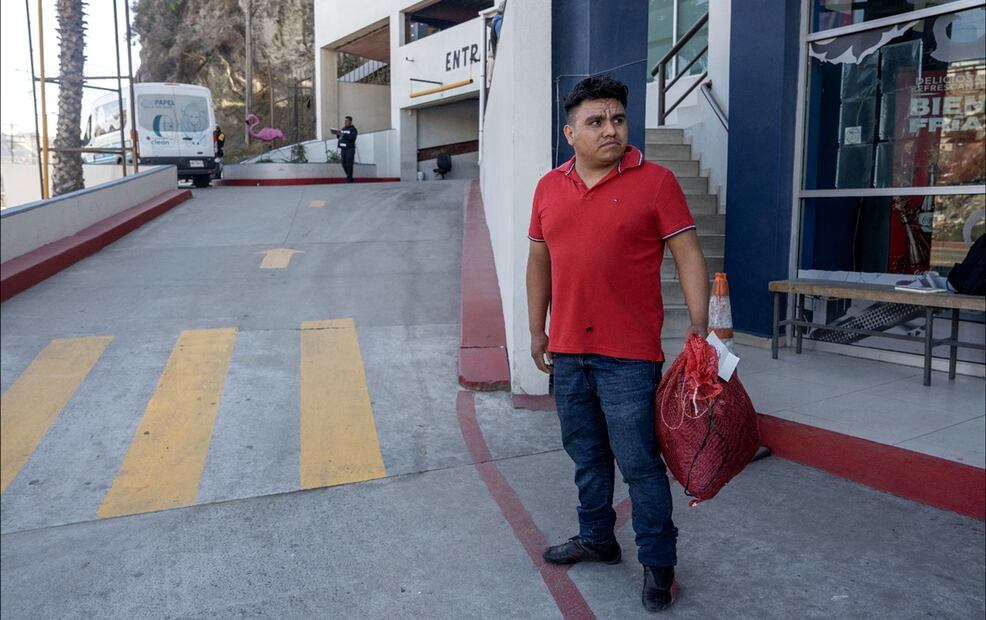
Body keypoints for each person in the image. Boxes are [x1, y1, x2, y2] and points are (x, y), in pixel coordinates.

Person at [526, 75, 709, 613]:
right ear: (570, 133)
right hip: (566, 350)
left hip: (628, 356)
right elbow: (539, 262)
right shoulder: (547, 187)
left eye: (618, 119)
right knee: (586, 456)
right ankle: (598, 539)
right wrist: (536, 328)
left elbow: (690, 256)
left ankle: (659, 564)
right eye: (596, 121)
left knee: (640, 463)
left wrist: (699, 324)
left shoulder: (656, 182)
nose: (611, 130)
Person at [331, 116, 358, 183]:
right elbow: (339, 137)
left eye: (347, 121)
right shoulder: (343, 129)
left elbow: (353, 138)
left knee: (349, 164)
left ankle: (349, 179)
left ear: (350, 122)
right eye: (345, 121)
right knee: (344, 164)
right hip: (343, 149)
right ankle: (349, 177)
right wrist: (337, 134)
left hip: (350, 149)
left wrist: (343, 134)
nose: (345, 122)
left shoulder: (353, 129)